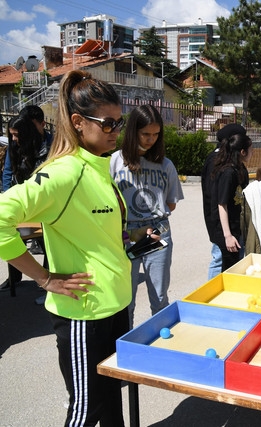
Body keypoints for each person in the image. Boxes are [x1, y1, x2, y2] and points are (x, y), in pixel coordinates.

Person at [0, 70, 130, 426]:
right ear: (77, 122)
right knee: (86, 410)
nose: (116, 131)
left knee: (110, 402)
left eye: (120, 123)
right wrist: (44, 279)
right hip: (84, 315)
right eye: (108, 124)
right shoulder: (64, 173)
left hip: (115, 307)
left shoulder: (100, 166)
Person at [111, 104, 183, 324]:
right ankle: (127, 345)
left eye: (155, 134)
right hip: (126, 233)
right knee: (126, 299)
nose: (150, 139)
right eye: (145, 134)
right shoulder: (114, 161)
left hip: (157, 231)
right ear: (133, 131)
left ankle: (160, 344)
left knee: (159, 297)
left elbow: (171, 204)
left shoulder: (165, 164)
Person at [0, 116, 49, 292]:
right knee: (13, 240)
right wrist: (8, 196)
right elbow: (8, 172)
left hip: (38, 203)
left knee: (48, 244)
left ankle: (46, 280)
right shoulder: (13, 147)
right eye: (11, 135)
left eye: (16, 135)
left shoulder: (44, 148)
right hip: (19, 201)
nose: (13, 139)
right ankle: (14, 277)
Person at [202, 123, 247, 279]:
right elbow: (216, 198)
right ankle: (211, 294)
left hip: (232, 220)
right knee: (219, 257)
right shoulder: (216, 160)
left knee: (233, 259)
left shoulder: (233, 162)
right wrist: (225, 231)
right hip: (219, 220)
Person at [2, 105, 53, 193]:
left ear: (43, 124)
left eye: (32, 126)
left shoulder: (53, 144)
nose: (29, 130)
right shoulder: (16, 143)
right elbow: (8, 170)